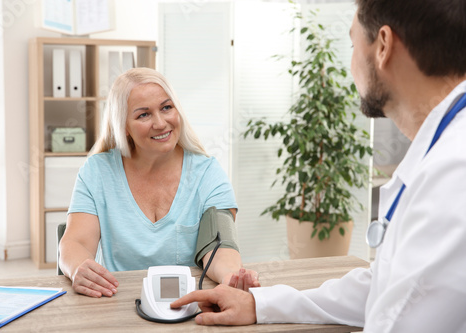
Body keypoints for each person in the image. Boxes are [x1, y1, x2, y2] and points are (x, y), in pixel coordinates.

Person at [171, 0, 466, 331]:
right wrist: (260, 302)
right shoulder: (445, 152)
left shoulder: (454, 172)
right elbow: (387, 288)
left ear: (383, 46)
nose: (350, 63)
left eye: (352, 44)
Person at [59, 68, 259, 298]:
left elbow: (220, 249)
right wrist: (78, 268)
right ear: (123, 126)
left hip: (187, 303)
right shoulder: (97, 172)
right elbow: (75, 242)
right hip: (117, 301)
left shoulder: (208, 173)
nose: (161, 123)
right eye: (143, 115)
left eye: (166, 108)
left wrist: (231, 276)